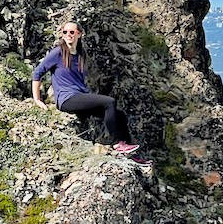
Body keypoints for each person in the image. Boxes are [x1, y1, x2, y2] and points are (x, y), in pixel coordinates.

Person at [31, 21, 141, 156]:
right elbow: (37, 73)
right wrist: (37, 99)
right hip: (67, 99)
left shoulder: (80, 54)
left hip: (78, 96)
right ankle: (116, 143)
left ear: (79, 34)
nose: (68, 35)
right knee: (109, 102)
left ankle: (129, 153)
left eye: (72, 32)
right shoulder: (58, 53)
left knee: (120, 115)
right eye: (65, 32)